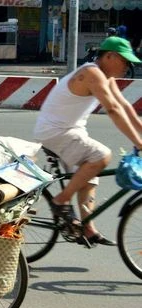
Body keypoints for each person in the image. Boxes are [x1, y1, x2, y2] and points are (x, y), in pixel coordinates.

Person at [33, 36, 142, 247]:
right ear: (109, 56)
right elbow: (113, 110)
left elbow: (125, 107)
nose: (127, 67)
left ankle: (87, 228)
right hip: (55, 131)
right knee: (101, 156)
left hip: (70, 130)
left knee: (89, 175)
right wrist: (138, 143)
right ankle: (61, 200)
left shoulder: (104, 76)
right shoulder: (91, 73)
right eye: (125, 61)